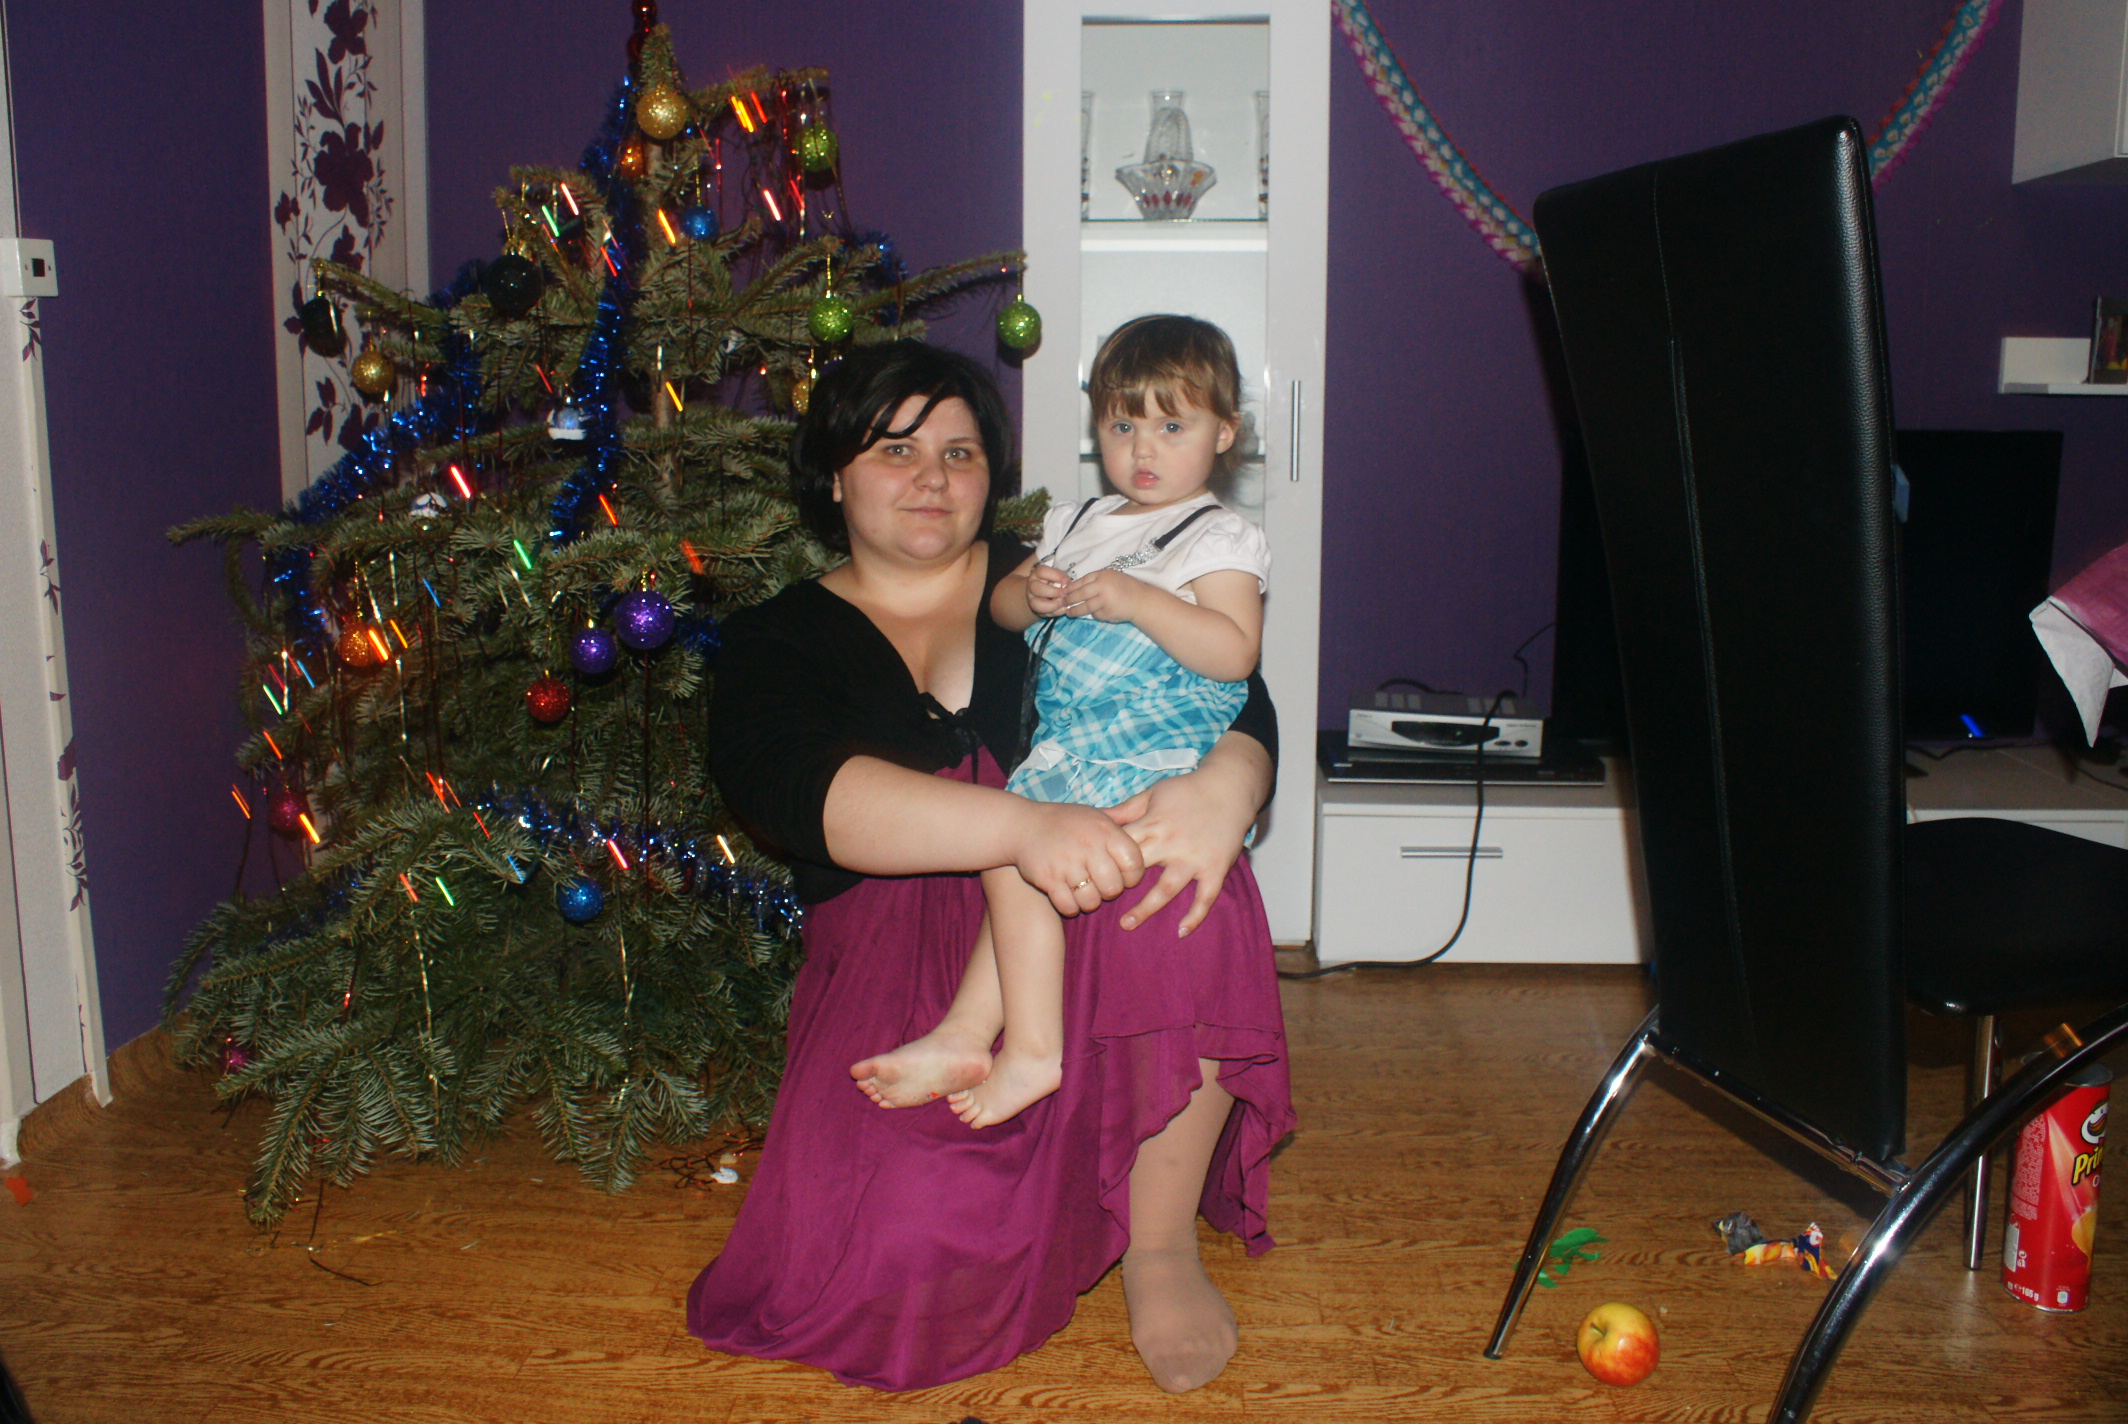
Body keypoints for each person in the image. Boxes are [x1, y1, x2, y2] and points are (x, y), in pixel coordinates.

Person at [688, 341, 1294, 1394]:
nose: (932, 476)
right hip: (903, 945)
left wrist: (1226, 789)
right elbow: (794, 790)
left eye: (959, 451)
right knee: (910, 1248)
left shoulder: (1059, 571)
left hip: (1095, 899)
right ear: (833, 472)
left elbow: (1226, 686)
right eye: (895, 448)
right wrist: (1017, 827)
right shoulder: (776, 638)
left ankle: (1158, 1243)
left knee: (1184, 887)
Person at [849, 316, 1269, 1131]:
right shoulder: (1077, 523)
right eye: (1122, 426)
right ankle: (971, 1033)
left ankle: (1032, 1050)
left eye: (1172, 428)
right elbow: (1003, 613)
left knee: (1017, 855)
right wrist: (1030, 593)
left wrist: (1140, 601)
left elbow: (1234, 653)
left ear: (1224, 433)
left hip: (1150, 734)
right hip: (1073, 736)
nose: (1143, 451)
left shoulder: (1219, 535)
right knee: (1010, 853)